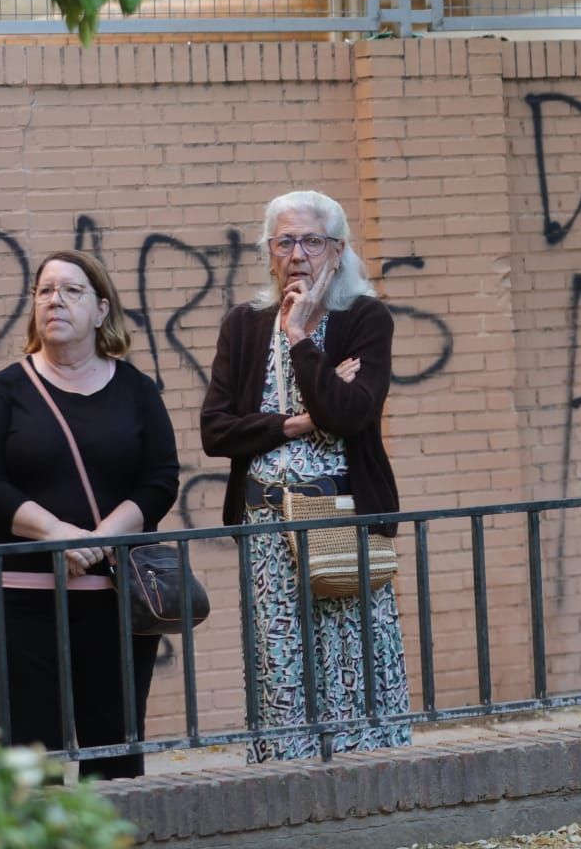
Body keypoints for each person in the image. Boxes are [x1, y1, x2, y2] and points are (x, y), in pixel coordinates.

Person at [200, 190, 411, 762]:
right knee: (279, 666)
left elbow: (349, 415)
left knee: (353, 661)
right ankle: (287, 787)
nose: (298, 254)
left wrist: (298, 338)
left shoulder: (364, 318)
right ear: (269, 252)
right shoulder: (243, 326)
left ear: (337, 251)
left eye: (312, 241)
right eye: (285, 241)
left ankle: (370, 785)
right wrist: (298, 422)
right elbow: (215, 432)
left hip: (341, 514)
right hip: (265, 521)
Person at [0, 251, 180, 780]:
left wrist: (100, 539)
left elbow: (159, 481)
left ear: (102, 309)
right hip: (16, 599)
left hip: (114, 602)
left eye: (72, 290)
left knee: (115, 753)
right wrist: (60, 535)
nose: (54, 299)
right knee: (28, 760)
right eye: (44, 291)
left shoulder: (136, 390)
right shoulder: (4, 391)